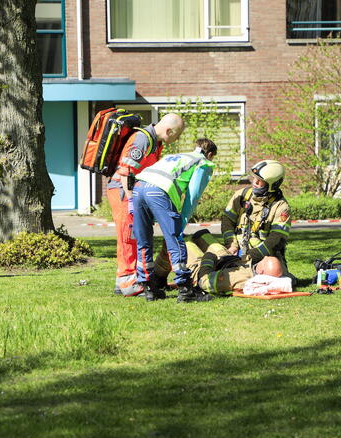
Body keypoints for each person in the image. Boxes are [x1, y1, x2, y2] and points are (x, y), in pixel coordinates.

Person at [107, 113, 184, 297]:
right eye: (177, 135)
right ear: (169, 130)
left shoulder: (154, 142)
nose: (177, 139)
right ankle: (128, 283)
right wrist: (132, 202)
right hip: (123, 192)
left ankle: (123, 281)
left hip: (131, 192)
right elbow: (126, 172)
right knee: (129, 236)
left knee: (133, 235)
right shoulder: (142, 139)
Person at [132, 138, 217, 302]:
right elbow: (192, 196)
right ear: (210, 154)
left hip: (139, 187)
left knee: (143, 239)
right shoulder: (203, 162)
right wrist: (180, 224)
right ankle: (185, 289)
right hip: (158, 190)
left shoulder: (177, 156)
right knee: (175, 240)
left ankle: (149, 288)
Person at [155, 229, 285, 296]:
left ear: (261, 272)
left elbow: (205, 282)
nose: (264, 257)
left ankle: (157, 278)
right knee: (203, 235)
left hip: (202, 269)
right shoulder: (259, 270)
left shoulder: (238, 278)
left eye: (265, 260)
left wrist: (208, 257)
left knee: (178, 243)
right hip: (226, 259)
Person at [221, 160, 292, 274]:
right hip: (236, 250)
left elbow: (276, 240)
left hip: (263, 255)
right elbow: (227, 220)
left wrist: (250, 256)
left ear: (272, 185)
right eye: (254, 178)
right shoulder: (241, 195)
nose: (255, 182)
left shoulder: (281, 207)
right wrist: (231, 244)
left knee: (275, 273)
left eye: (260, 180)